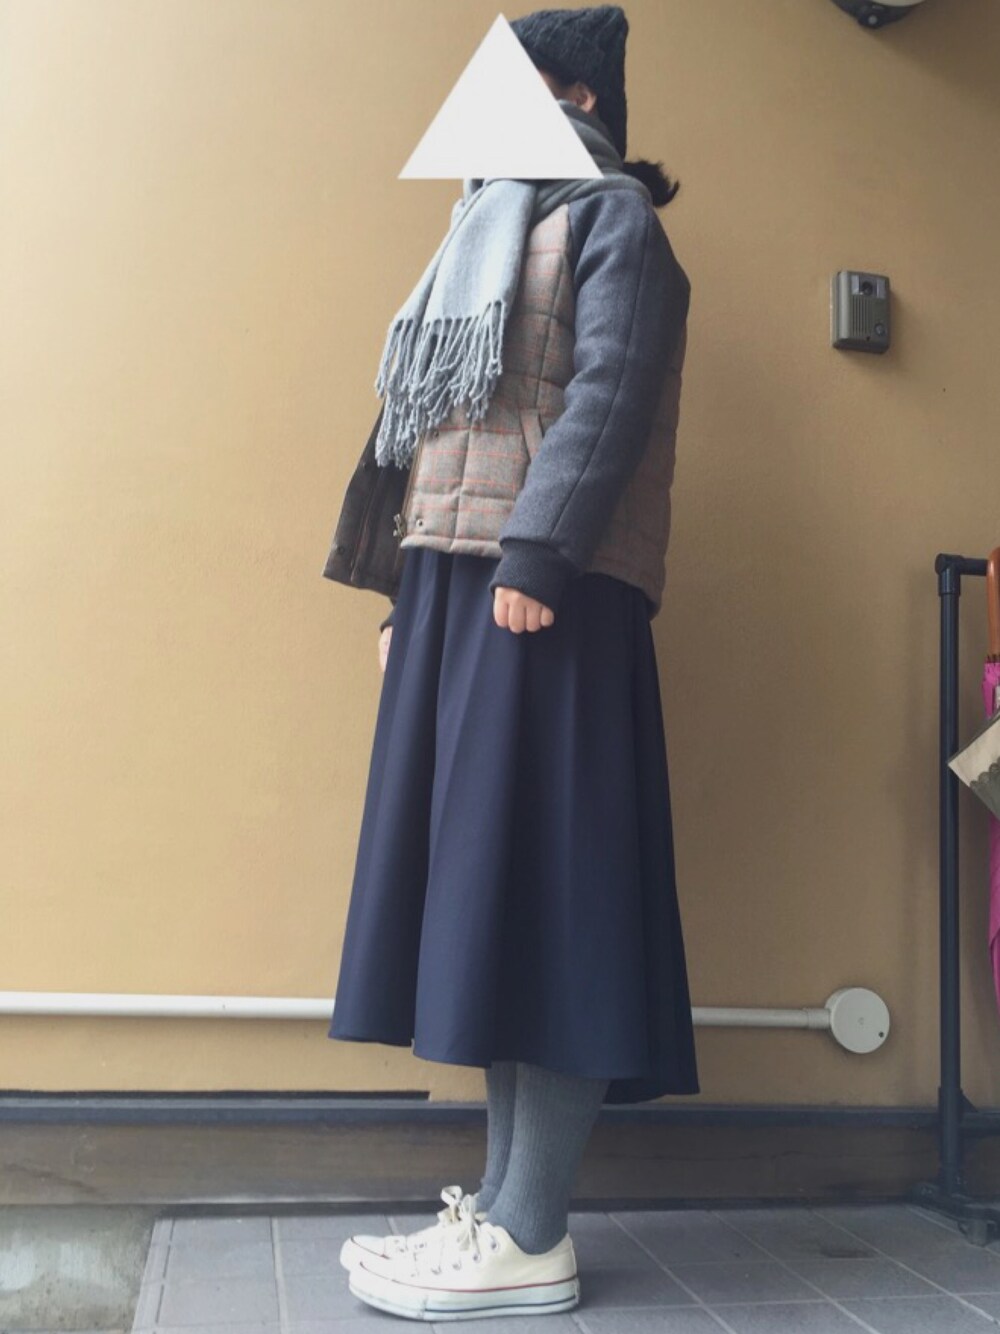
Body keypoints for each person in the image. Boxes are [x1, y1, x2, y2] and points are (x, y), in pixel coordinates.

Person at [321, 5, 699, 1320]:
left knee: (554, 895)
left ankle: (533, 1232)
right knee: (491, 902)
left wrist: (535, 559)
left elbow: (611, 391)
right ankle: (500, 1212)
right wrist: (403, 595)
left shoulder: (615, 224)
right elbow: (430, 426)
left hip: (550, 588)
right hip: (459, 587)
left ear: (577, 97)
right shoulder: (481, 229)